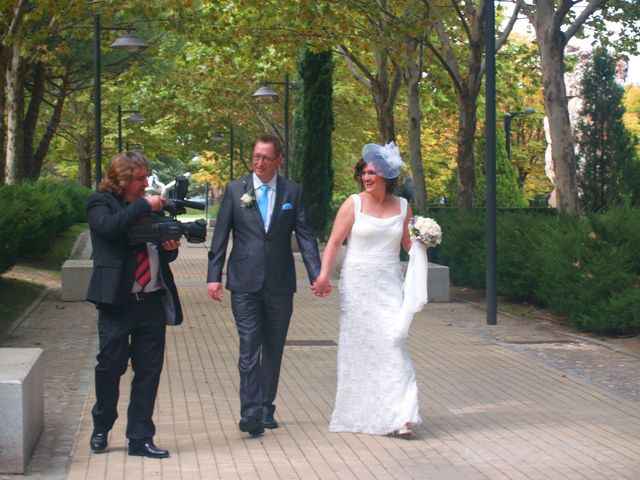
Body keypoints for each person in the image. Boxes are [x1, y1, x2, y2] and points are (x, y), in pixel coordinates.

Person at [207, 134, 329, 437]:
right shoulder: (236, 190)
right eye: (255, 157)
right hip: (244, 282)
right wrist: (213, 275)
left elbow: (305, 236)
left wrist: (317, 274)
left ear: (278, 160)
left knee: (273, 348)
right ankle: (249, 414)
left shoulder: (292, 192)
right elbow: (221, 235)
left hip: (279, 284)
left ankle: (265, 406)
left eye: (265, 158)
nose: (259, 163)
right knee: (249, 347)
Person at [312, 142, 422, 437]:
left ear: (387, 176)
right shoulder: (353, 204)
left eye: (373, 172)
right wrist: (323, 276)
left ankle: (402, 414)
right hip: (358, 284)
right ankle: (366, 411)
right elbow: (334, 242)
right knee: (362, 349)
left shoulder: (402, 206)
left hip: (388, 284)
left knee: (392, 343)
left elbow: (409, 246)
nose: (367, 177)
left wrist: (426, 240)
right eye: (364, 172)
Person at [86, 151, 182, 459]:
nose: (146, 184)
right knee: (110, 366)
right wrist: (143, 206)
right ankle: (102, 424)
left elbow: (158, 251)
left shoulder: (148, 207)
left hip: (151, 301)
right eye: (140, 178)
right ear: (123, 179)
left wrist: (169, 248)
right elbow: (109, 230)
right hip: (117, 302)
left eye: (145, 178)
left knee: (149, 371)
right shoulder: (101, 204)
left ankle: (140, 437)